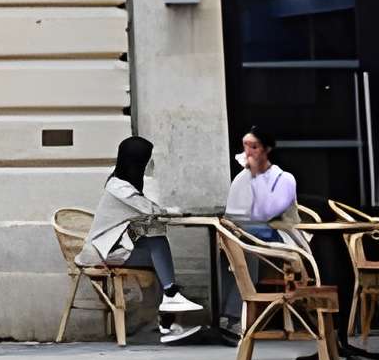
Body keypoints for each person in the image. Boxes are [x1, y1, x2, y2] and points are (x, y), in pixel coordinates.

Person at [77, 135, 205, 343]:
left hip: (116, 248)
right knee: (157, 248)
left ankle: (167, 313)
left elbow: (149, 217)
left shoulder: (122, 182)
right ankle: (169, 307)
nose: (147, 167)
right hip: (101, 254)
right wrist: (181, 212)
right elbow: (151, 210)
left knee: (156, 243)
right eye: (145, 161)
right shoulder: (119, 188)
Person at [221, 126, 307, 336]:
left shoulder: (249, 176)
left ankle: (232, 316)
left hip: (239, 236)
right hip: (254, 238)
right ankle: (316, 309)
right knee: (313, 248)